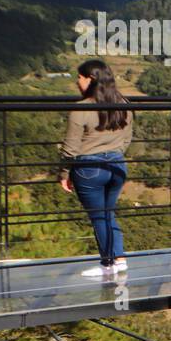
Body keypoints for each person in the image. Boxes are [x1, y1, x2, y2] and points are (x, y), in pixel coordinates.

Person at [59, 59, 132, 278]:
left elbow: (70, 148)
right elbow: (127, 138)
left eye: (79, 77)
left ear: (90, 79)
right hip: (117, 164)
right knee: (108, 214)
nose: (77, 82)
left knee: (99, 217)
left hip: (89, 168)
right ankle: (119, 259)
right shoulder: (123, 104)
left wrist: (64, 173)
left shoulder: (81, 109)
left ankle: (108, 264)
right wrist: (115, 155)